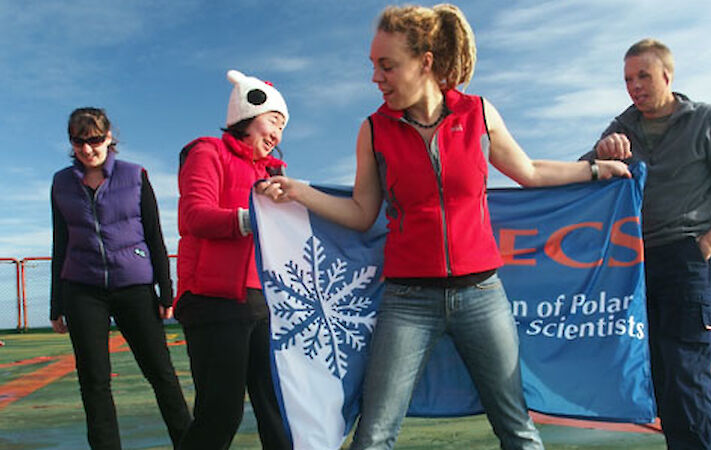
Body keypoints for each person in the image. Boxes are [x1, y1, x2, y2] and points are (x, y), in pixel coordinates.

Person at [260, 4, 630, 449]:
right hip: (407, 301)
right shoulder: (374, 130)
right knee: (374, 434)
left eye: (387, 65)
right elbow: (362, 213)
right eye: (373, 66)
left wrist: (596, 170)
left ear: (425, 62)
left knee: (516, 427)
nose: (376, 77)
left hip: (482, 296)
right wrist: (299, 191)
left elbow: (530, 171)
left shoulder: (477, 114)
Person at [580, 39, 711, 449]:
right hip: (634, 265)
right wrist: (600, 156)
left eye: (643, 76)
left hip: (685, 256)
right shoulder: (619, 129)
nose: (634, 86)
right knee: (655, 372)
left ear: (666, 76)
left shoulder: (707, 120)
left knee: (684, 373)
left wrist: (710, 241)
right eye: (627, 79)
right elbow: (578, 177)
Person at [50, 107, 191, 449]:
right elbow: (61, 241)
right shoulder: (61, 183)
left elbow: (155, 236)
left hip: (134, 287)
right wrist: (57, 305)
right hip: (82, 289)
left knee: (161, 373)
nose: (87, 149)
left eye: (95, 139)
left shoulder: (134, 175)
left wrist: (165, 292)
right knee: (94, 381)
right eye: (79, 141)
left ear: (109, 138)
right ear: (72, 143)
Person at [174, 69, 291, 450]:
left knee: (277, 407)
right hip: (213, 300)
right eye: (273, 120)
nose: (278, 134)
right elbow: (195, 214)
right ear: (246, 113)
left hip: (262, 302)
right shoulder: (208, 152)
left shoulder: (274, 174)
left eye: (283, 127)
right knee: (221, 412)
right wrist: (250, 219)